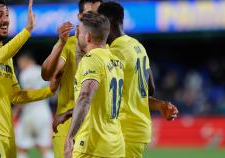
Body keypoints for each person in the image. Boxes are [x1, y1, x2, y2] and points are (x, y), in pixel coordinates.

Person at [0, 0, 58, 158]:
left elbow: (16, 95)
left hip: (7, 134)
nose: (6, 20)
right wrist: (27, 30)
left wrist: (49, 90)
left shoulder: (7, 58)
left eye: (7, 15)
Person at [97, 2, 179, 158]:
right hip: (136, 129)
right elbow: (149, 88)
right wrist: (160, 104)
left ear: (109, 21)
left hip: (123, 131)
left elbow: (105, 94)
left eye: (99, 22)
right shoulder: (137, 45)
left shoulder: (115, 52)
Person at [41, 0, 103, 157]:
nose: (94, 19)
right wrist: (59, 44)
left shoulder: (109, 51)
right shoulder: (69, 45)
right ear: (80, 16)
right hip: (67, 126)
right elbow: (47, 75)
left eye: (98, 14)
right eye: (90, 14)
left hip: (96, 129)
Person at [64, 11, 124, 158]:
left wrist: (70, 137)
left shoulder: (91, 59)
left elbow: (85, 97)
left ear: (88, 37)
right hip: (115, 146)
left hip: (92, 146)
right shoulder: (116, 61)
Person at [15, 52, 54, 158]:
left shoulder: (26, 73)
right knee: (45, 147)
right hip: (44, 112)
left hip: (30, 113)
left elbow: (28, 93)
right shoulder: (42, 70)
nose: (20, 66)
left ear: (26, 61)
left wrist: (16, 111)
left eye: (20, 63)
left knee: (21, 147)